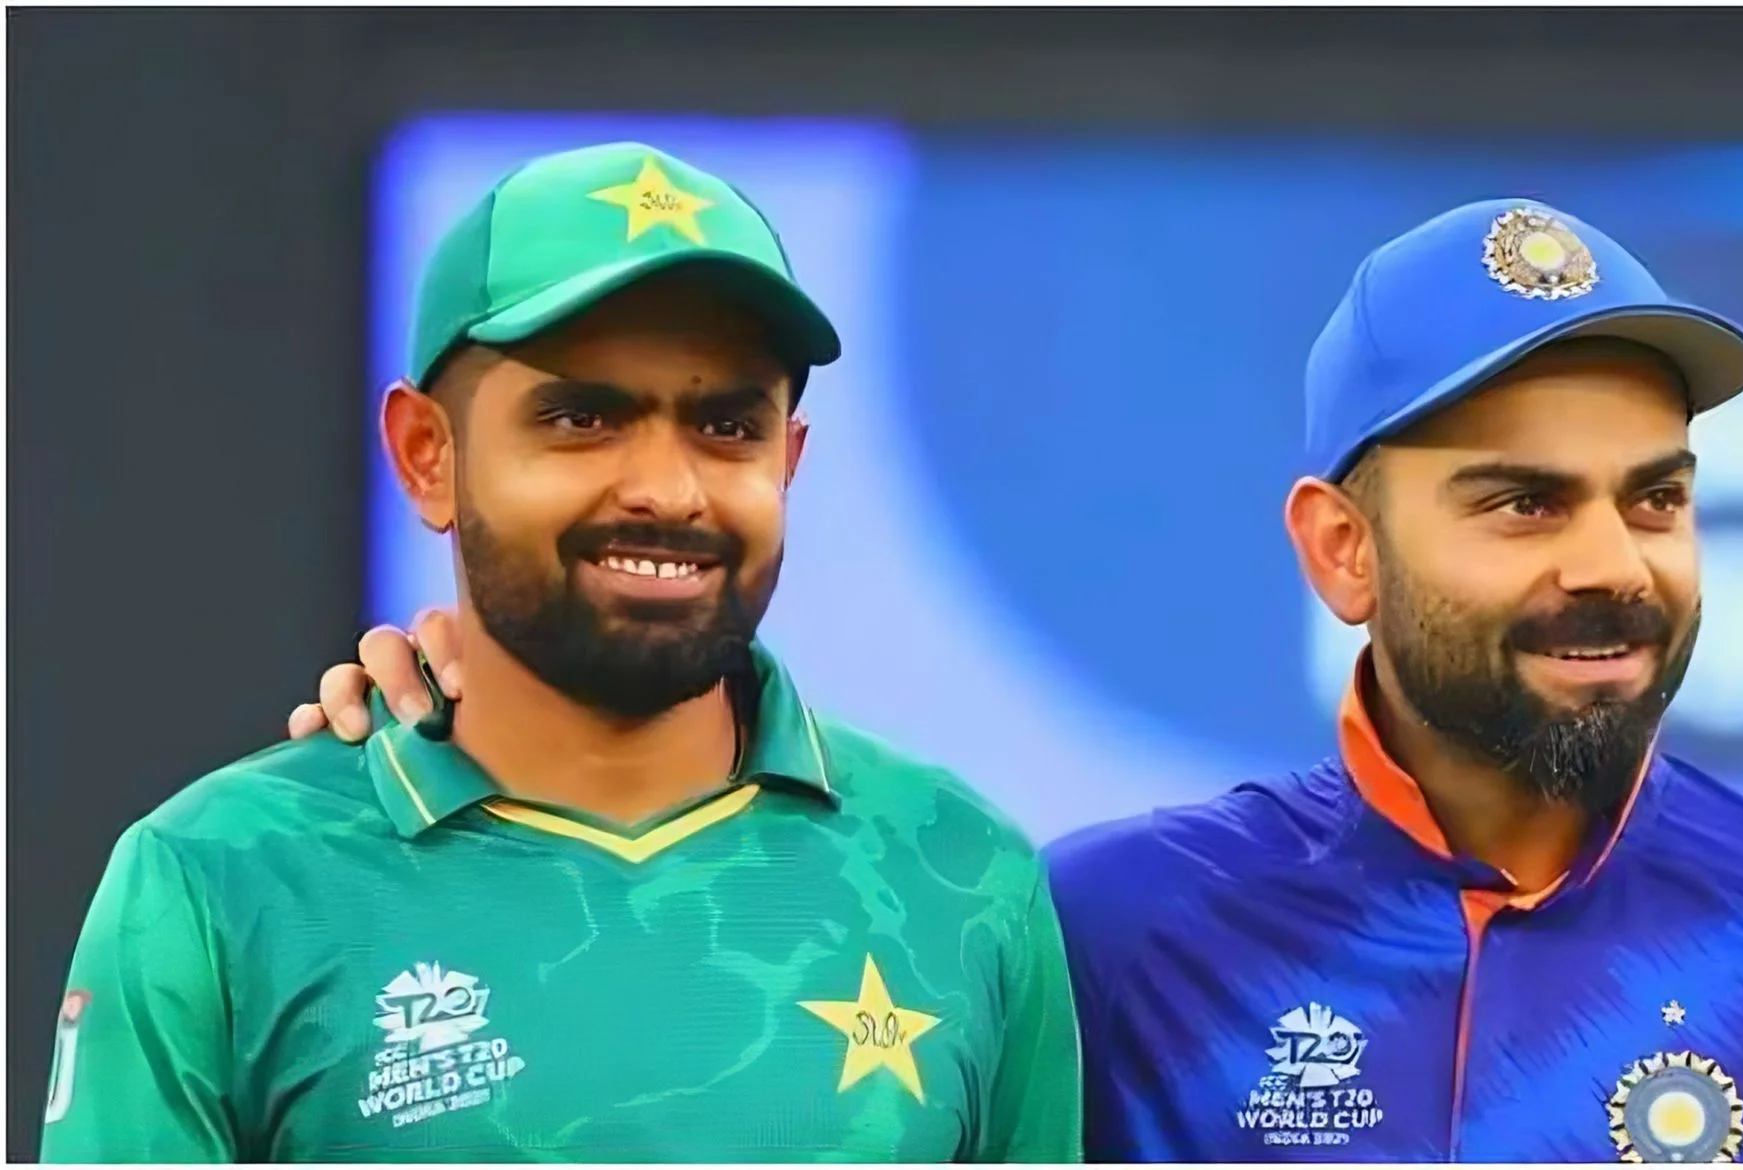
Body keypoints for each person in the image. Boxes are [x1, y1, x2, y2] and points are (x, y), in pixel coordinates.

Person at [281, 200, 1743, 1163]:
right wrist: (475, 716)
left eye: (1653, 499)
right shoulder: (1104, 932)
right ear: (1339, 551)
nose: (1610, 562)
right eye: (1519, 502)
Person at [41, 143, 1081, 1164]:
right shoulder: (221, 877)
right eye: (582, 417)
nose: (666, 491)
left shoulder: (962, 872)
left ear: (788, 461)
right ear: (427, 456)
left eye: (727, 427)